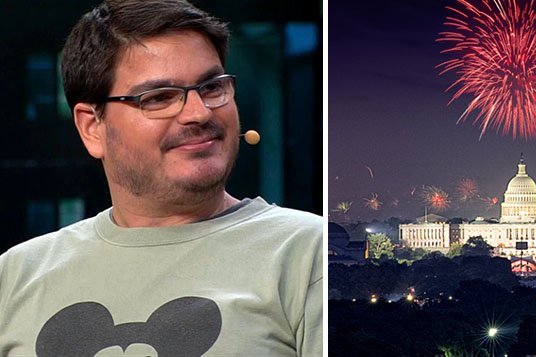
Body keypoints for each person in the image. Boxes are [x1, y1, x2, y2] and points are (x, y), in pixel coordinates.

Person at [0, 0, 323, 355]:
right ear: (93, 127)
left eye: (212, 87)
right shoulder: (16, 275)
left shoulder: (314, 255)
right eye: (159, 98)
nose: (198, 113)